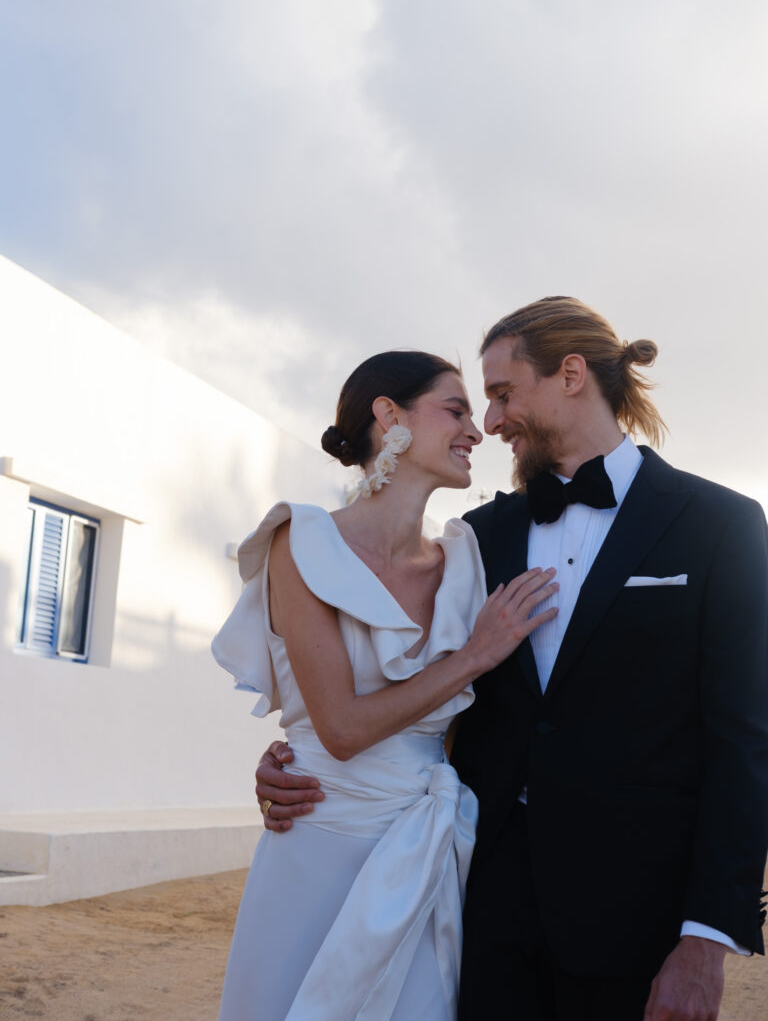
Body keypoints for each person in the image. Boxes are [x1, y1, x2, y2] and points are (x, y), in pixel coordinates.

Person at [256, 298, 768, 1021]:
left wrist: (707, 938)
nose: (491, 423)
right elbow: (400, 680)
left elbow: (746, 742)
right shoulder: (475, 538)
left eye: (501, 394)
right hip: (475, 907)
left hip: (635, 922)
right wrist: (299, 759)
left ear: (569, 375)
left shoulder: (723, 526)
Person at [212, 350, 558, 1021]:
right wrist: (474, 655)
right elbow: (339, 730)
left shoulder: (468, 559)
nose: (475, 431)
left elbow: (473, 731)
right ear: (389, 415)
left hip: (425, 847)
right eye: (455, 410)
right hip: (316, 836)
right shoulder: (300, 542)